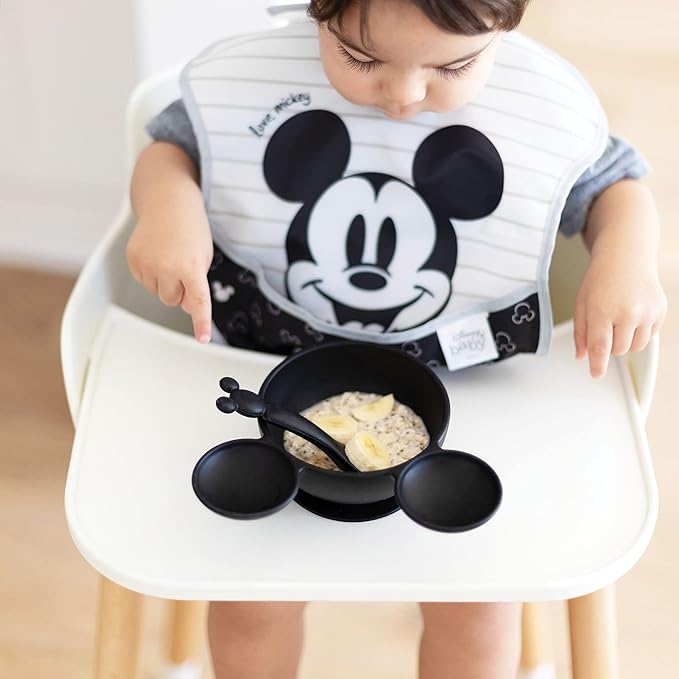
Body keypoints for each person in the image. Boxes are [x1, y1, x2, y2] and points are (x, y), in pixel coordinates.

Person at [127, 1, 667, 677]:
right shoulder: (257, 80)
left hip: (470, 389)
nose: (404, 95)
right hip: (277, 379)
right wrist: (168, 206)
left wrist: (626, 259)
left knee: (479, 608)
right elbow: (172, 149)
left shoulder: (537, 108)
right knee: (250, 602)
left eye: (453, 66)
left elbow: (614, 186)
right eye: (360, 57)